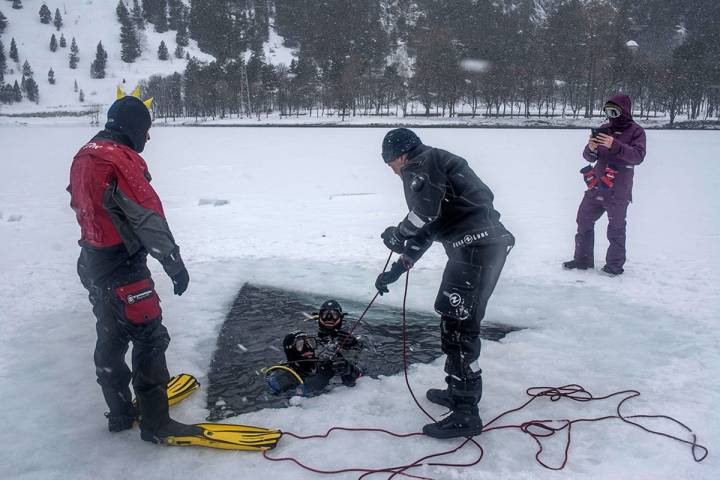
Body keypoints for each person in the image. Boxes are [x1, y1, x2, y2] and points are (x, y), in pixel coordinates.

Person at [68, 90, 200, 443]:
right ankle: (156, 423)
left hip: (93, 263)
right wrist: (174, 265)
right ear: (133, 127)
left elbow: (85, 208)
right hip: (125, 268)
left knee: (110, 336)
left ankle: (121, 413)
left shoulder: (85, 154)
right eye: (146, 128)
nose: (149, 136)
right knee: (150, 337)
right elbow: (148, 218)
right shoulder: (119, 160)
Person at [375, 128, 515, 439]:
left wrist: (398, 234)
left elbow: (424, 213)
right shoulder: (432, 163)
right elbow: (431, 225)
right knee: (454, 320)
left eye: (390, 163)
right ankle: (458, 391)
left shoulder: (421, 163)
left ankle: (466, 411)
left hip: (476, 249)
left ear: (399, 155)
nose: (392, 170)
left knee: (460, 326)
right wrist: (398, 269)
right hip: (476, 248)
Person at [563, 93, 646, 275]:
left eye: (614, 111)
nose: (611, 115)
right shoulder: (604, 128)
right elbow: (588, 157)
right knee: (583, 220)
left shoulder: (636, 131)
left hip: (618, 190)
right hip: (596, 186)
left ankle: (615, 265)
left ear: (624, 111)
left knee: (616, 228)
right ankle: (582, 260)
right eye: (608, 111)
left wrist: (614, 144)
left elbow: (638, 157)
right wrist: (591, 149)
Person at [264, 330, 361, 397]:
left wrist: (349, 370)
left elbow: (360, 380)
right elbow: (296, 398)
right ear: (290, 350)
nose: (308, 347)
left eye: (310, 343)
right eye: (300, 345)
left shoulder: (323, 364)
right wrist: (324, 376)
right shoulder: (281, 377)